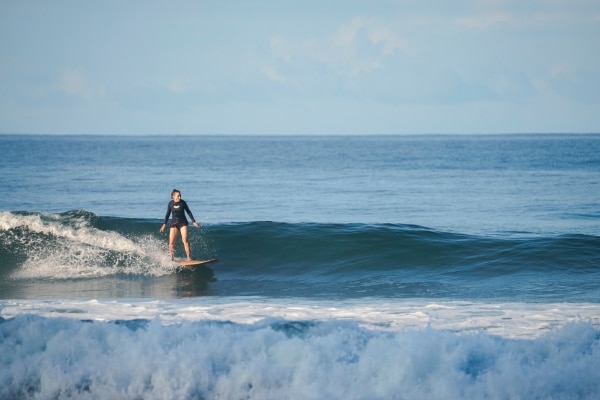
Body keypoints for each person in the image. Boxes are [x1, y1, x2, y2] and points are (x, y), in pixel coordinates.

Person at [160, 189, 200, 261]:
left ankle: (188, 257)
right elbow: (167, 214)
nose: (180, 197)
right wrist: (164, 224)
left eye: (180, 196)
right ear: (173, 196)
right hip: (174, 224)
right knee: (171, 242)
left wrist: (193, 221)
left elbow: (189, 212)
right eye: (178, 196)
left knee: (185, 240)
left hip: (183, 223)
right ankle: (172, 258)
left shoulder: (183, 203)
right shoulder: (170, 204)